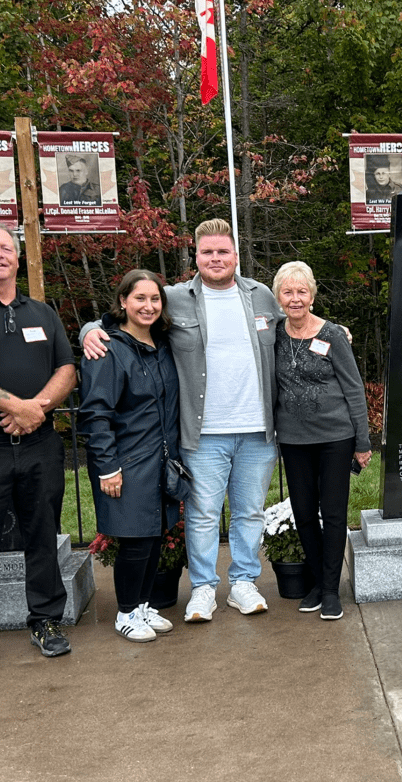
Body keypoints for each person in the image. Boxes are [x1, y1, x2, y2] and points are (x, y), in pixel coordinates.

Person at [81, 219, 279, 624]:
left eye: (223, 251)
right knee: (203, 515)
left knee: (249, 512)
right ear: (196, 256)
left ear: (235, 255)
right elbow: (126, 316)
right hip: (201, 434)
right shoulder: (174, 297)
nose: (215, 258)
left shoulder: (261, 295)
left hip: (257, 431)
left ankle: (243, 582)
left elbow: (296, 323)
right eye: (207, 252)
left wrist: (335, 332)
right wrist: (88, 330)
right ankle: (203, 588)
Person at [78, 270, 182, 642]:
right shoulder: (107, 349)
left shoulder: (163, 343)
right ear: (123, 301)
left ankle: (141, 605)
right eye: (140, 298)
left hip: (159, 460)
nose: (148, 306)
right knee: (135, 540)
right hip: (126, 460)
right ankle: (125, 612)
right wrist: (108, 467)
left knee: (153, 536)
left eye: (155, 299)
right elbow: (96, 413)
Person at [273, 262, 371, 621]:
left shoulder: (332, 335)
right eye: (288, 292)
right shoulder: (273, 335)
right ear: (278, 297)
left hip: (335, 438)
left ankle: (331, 590)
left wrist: (363, 441)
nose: (295, 298)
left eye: (302, 291)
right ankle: (317, 581)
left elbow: (354, 389)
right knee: (303, 513)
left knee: (332, 513)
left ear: (312, 295)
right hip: (294, 440)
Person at [0, 226, 76, 657]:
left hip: (39, 446)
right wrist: (16, 406)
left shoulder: (42, 313)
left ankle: (45, 620)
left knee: (42, 535)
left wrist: (36, 410)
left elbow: (66, 369)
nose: (0, 254)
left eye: (5, 247)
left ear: (17, 257)